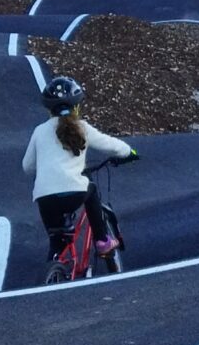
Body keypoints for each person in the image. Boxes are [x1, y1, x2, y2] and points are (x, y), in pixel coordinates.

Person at [21, 76, 137, 262]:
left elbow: (27, 167)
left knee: (56, 243)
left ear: (50, 109)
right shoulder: (82, 128)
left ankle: (54, 269)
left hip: (44, 198)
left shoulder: (39, 131)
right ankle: (102, 240)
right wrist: (130, 152)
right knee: (91, 189)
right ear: (76, 106)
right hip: (74, 194)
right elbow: (111, 145)